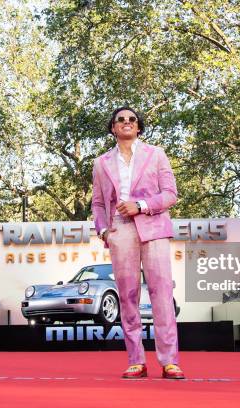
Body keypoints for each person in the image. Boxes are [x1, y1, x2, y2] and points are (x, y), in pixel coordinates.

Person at [91, 107, 184, 379]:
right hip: (120, 231)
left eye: (131, 119)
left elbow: (170, 194)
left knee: (162, 294)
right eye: (121, 119)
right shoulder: (101, 163)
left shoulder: (156, 154)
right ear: (113, 128)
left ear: (138, 127)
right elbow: (98, 203)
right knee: (128, 296)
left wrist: (141, 205)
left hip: (153, 227)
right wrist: (105, 231)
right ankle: (136, 360)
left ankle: (169, 361)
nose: (127, 122)